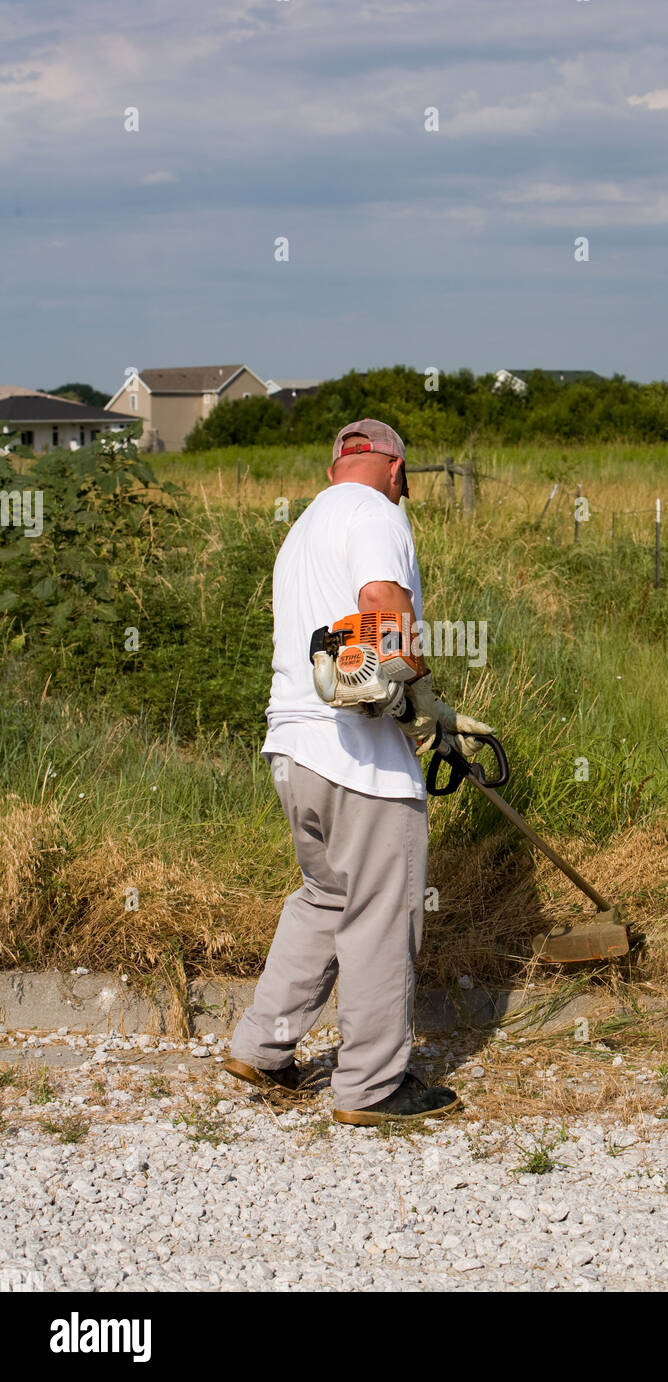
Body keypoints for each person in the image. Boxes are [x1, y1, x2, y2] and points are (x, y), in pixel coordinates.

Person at [225, 418, 494, 1125]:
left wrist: (402, 695)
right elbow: (380, 604)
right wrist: (423, 695)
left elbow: (337, 643)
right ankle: (373, 1086)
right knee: (381, 914)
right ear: (397, 470)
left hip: (292, 749)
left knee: (325, 897)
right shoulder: (377, 513)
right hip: (357, 761)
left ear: (336, 464)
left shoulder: (305, 526)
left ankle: (262, 1047)